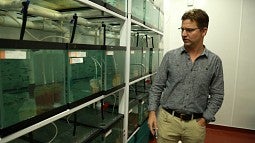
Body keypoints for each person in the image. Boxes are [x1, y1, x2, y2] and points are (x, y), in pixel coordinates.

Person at [148, 9, 224, 143]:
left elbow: (217, 94)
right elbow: (157, 87)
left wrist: (205, 119)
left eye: (189, 30)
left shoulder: (214, 61)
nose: (184, 34)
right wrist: (152, 112)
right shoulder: (170, 57)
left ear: (204, 31)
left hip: (195, 124)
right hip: (167, 121)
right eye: (182, 29)